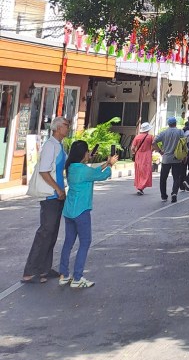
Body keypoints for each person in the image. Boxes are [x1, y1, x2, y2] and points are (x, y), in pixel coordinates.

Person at [58, 140, 118, 288]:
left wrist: (106, 163)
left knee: (68, 242)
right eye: (87, 151)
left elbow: (93, 172)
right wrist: (110, 165)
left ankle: (64, 275)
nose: (89, 153)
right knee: (85, 242)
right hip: (81, 210)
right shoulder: (83, 170)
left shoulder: (71, 167)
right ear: (83, 153)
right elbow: (101, 176)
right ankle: (77, 278)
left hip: (69, 211)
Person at [22, 116, 70, 283]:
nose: (68, 127)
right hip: (50, 195)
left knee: (52, 232)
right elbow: (44, 171)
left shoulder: (59, 145)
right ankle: (30, 271)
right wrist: (57, 188)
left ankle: (44, 268)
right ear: (57, 128)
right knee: (45, 232)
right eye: (66, 125)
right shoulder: (50, 146)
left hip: (57, 194)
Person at [152, 117, 185, 203]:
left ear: (168, 124)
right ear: (175, 123)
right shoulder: (180, 132)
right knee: (176, 177)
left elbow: (153, 142)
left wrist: (160, 151)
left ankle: (164, 196)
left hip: (166, 158)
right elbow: (184, 144)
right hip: (177, 158)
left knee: (163, 178)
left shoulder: (164, 133)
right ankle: (174, 193)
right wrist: (184, 156)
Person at [130, 121, 154, 195]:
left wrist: (134, 152)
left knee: (139, 171)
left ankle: (139, 186)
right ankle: (141, 186)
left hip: (138, 155)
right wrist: (151, 151)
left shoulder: (137, 137)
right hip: (147, 155)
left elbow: (132, 148)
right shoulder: (150, 137)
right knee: (146, 171)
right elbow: (153, 146)